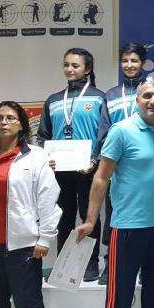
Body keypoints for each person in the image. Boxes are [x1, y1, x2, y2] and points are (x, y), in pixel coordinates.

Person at [76, 75, 154, 308]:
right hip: (127, 228)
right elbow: (101, 178)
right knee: (119, 298)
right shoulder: (121, 130)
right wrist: (90, 220)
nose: (153, 101)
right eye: (147, 96)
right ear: (137, 100)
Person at [0, 101, 61, 308]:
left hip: (22, 248)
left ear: (21, 124)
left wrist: (45, 238)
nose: (4, 122)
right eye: (0, 118)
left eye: (10, 118)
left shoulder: (36, 156)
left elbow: (48, 198)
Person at [36, 47, 106, 282]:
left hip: (89, 169)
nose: (69, 69)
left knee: (89, 215)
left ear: (87, 69)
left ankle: (91, 263)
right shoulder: (54, 100)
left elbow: (104, 134)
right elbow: (43, 135)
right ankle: (63, 264)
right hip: (60, 170)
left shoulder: (99, 97)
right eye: (66, 64)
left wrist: (94, 160)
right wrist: (47, 156)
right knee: (63, 216)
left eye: (75, 65)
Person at [96, 42, 147, 285]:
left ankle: (146, 264)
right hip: (118, 165)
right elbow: (103, 131)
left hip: (146, 162)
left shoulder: (151, 90)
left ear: (143, 63)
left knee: (148, 212)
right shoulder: (111, 95)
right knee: (114, 213)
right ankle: (110, 262)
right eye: (125, 61)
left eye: (134, 60)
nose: (129, 65)